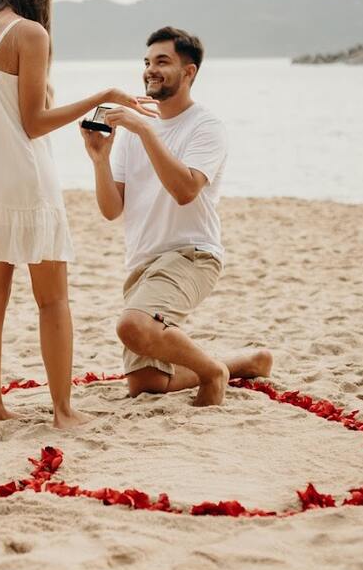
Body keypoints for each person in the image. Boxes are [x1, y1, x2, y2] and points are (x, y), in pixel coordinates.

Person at [0, 0, 155, 429]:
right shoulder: (31, 33)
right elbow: (32, 124)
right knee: (53, 301)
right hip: (26, 183)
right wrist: (104, 96)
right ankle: (64, 411)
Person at [81, 25, 272, 405]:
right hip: (143, 261)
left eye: (162, 62)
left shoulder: (206, 127)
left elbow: (185, 190)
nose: (150, 69)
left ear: (189, 72)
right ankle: (246, 362)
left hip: (192, 253)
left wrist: (145, 130)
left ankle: (211, 372)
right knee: (147, 383)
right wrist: (100, 159)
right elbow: (110, 209)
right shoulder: (135, 129)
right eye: (147, 62)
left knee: (132, 325)